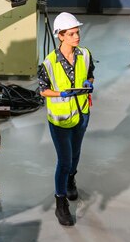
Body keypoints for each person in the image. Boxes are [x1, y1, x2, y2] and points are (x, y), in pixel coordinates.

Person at [37, 12, 95, 226]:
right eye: (71, 34)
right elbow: (43, 90)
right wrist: (60, 94)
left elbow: (90, 73)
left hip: (81, 113)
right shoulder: (49, 63)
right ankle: (60, 203)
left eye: (77, 32)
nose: (76, 37)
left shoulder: (85, 54)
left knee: (76, 154)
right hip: (60, 119)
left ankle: (71, 180)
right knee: (64, 161)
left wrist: (88, 83)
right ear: (60, 36)